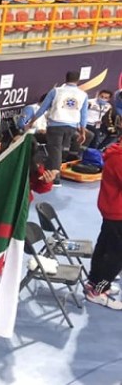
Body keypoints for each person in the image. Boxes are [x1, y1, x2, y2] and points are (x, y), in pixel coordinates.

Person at [25, 71, 89, 187]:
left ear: (66, 78)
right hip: (71, 127)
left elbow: (43, 108)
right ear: (78, 80)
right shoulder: (83, 95)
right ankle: (52, 174)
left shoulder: (56, 91)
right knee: (61, 151)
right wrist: (82, 132)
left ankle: (55, 179)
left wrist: (32, 121)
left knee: (55, 151)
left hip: (56, 126)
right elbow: (84, 115)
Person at [86, 118, 122, 310]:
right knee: (116, 255)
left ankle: (94, 282)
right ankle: (99, 290)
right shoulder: (118, 157)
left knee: (105, 247)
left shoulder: (116, 153)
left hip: (113, 210)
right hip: (117, 212)